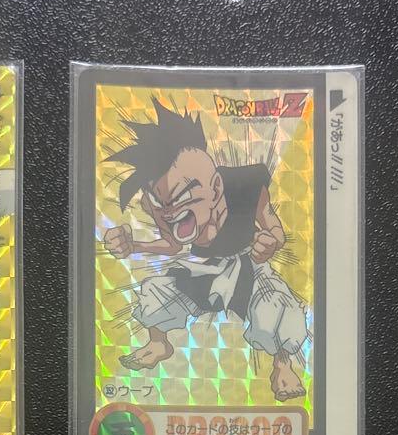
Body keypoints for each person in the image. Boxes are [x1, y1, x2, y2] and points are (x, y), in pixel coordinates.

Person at [102, 98, 308, 401]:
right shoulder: (161, 203)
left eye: (181, 200)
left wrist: (270, 241)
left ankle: (283, 363)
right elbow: (173, 245)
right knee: (156, 289)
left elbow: (274, 227)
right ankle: (159, 342)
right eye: (161, 205)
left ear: (216, 187)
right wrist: (133, 245)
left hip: (250, 263)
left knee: (278, 304)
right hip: (205, 268)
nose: (170, 214)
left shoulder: (247, 185)